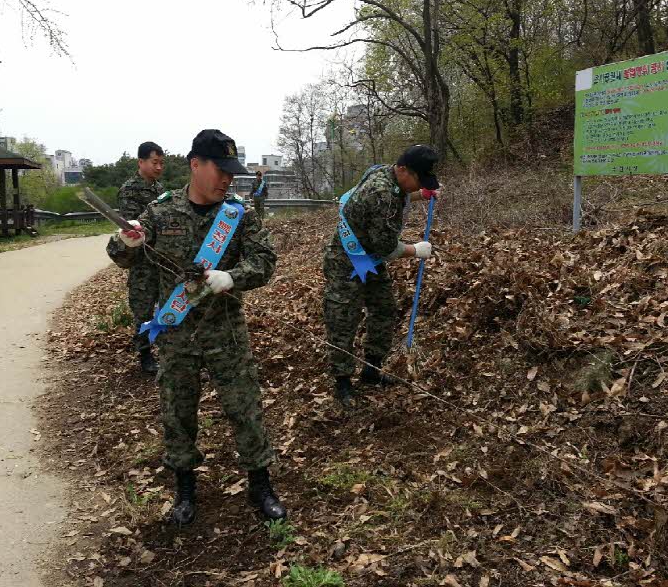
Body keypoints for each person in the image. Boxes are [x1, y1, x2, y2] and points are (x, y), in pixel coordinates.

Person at [107, 129, 286, 526]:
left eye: (231, 171)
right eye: (219, 170)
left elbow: (266, 260)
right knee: (178, 412)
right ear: (194, 165)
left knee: (245, 407)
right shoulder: (161, 211)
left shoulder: (239, 213)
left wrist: (233, 277)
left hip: (226, 330)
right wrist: (128, 242)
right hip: (177, 333)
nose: (227, 179)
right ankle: (185, 489)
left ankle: (261, 484)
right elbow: (120, 256)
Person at [323, 145, 440, 408]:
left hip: (369, 259)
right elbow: (386, 247)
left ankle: (371, 370)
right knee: (343, 318)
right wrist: (415, 250)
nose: (418, 184)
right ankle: (342, 382)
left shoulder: (387, 175)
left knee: (384, 308)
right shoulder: (381, 193)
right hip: (346, 260)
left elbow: (403, 192)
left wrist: (421, 194)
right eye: (418, 180)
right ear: (402, 169)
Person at [115, 141, 165, 374]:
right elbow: (131, 224)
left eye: (161, 163)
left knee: (166, 305)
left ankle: (165, 349)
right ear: (141, 162)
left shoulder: (160, 190)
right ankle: (145, 355)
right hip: (143, 260)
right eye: (155, 162)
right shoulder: (130, 190)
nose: (159, 168)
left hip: (162, 259)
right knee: (143, 309)